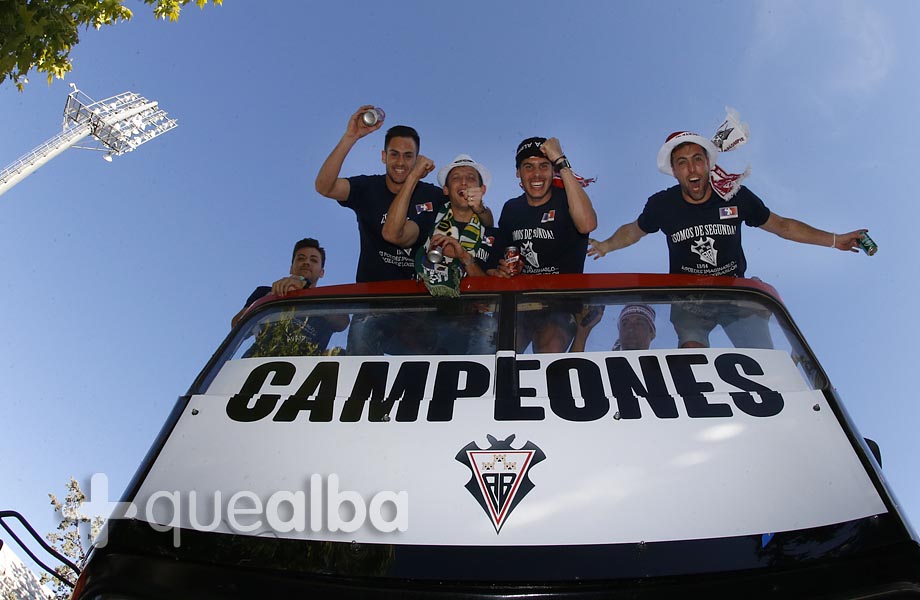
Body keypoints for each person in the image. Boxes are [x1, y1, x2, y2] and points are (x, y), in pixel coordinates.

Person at [588, 125, 867, 348]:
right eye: (682, 162)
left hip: (735, 295)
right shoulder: (663, 205)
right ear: (674, 171)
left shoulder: (735, 196)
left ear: (708, 163)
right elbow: (633, 231)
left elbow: (782, 225)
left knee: (763, 363)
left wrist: (834, 239)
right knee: (692, 356)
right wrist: (606, 246)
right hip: (689, 300)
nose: (692, 168)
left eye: (698, 159)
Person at [314, 106, 491, 282]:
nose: (400, 162)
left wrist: (481, 207)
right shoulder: (367, 187)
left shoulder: (433, 195)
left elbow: (483, 221)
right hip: (370, 299)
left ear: (417, 159)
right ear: (384, 156)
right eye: (394, 154)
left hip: (417, 301)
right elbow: (324, 187)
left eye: (408, 156)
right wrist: (350, 137)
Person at [382, 153, 499, 353]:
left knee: (489, 328)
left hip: (469, 322)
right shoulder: (429, 219)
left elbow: (491, 296)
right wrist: (413, 177)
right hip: (422, 316)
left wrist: (464, 257)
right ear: (445, 190)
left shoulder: (494, 234)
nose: (463, 182)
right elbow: (393, 234)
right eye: (455, 178)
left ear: (482, 190)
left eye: (471, 178)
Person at [496, 137, 598, 353]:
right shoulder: (511, 208)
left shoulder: (567, 199)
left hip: (561, 303)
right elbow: (500, 254)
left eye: (544, 166)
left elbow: (587, 223)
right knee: (502, 350)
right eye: (528, 167)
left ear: (554, 171)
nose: (536, 174)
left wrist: (561, 160)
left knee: (550, 347)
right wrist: (501, 268)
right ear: (518, 173)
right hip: (521, 304)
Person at [231, 238, 347, 356]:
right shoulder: (264, 292)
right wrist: (271, 298)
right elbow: (236, 326)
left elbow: (343, 322)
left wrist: (306, 293)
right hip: (258, 361)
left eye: (314, 260)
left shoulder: (327, 300)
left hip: (302, 369)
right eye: (301, 258)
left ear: (322, 272)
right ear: (291, 267)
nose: (307, 262)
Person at [570, 304, 656, 352]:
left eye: (639, 323)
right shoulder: (604, 366)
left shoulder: (661, 367)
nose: (630, 329)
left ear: (651, 333)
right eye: (625, 324)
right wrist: (582, 331)